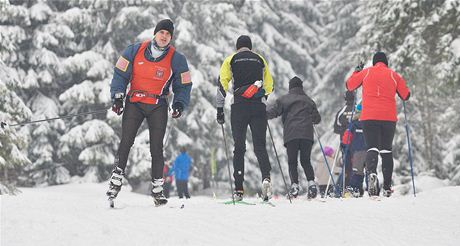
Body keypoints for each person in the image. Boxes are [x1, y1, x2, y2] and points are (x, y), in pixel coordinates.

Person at [106, 19, 193, 206]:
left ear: (171, 38)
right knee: (126, 140)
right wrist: (118, 97)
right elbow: (120, 74)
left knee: (156, 148)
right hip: (134, 102)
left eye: (168, 34)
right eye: (162, 32)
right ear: (155, 33)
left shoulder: (177, 59)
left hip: (157, 105)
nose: (164, 36)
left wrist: (179, 104)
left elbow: (184, 85)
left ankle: (157, 189)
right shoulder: (133, 50)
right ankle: (115, 181)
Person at [215, 35, 274, 202]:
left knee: (239, 148)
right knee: (260, 146)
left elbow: (222, 84)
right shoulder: (260, 59)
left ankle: (239, 189)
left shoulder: (231, 59)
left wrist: (220, 109)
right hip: (258, 107)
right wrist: (263, 98)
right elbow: (270, 85)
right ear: (250, 47)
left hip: (239, 106)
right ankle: (266, 178)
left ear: (237, 47)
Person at [346, 51, 410, 197]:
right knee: (386, 150)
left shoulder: (367, 73)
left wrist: (357, 72)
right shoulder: (394, 75)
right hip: (388, 118)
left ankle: (372, 174)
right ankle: (387, 187)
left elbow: (350, 85)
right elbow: (405, 95)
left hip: (369, 117)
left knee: (372, 148)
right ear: (386, 62)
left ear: (374, 62)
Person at [266, 76, 321, 199]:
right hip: (307, 135)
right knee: (305, 160)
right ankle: (311, 184)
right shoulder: (309, 101)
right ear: (301, 87)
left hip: (291, 134)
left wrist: (262, 113)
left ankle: (295, 186)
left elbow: (273, 112)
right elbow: (317, 119)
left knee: (292, 161)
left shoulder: (284, 100)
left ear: (290, 87)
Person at [333, 91, 355, 191]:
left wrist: (344, 130)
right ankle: (356, 186)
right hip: (357, 142)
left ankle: (346, 187)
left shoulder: (341, 111)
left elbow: (336, 128)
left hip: (345, 142)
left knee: (347, 165)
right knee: (358, 165)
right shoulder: (358, 110)